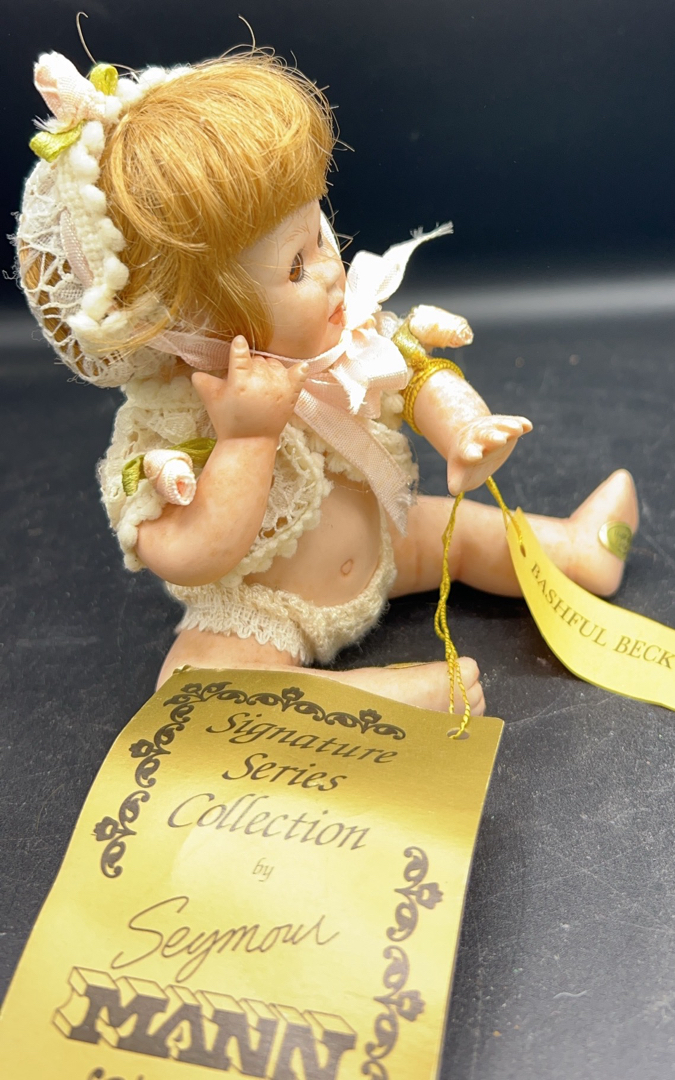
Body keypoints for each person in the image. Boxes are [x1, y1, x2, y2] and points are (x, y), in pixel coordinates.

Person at [16, 50, 638, 715]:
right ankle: (391, 706)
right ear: (186, 325)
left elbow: (409, 378)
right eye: (294, 266)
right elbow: (187, 554)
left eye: (319, 233)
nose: (330, 271)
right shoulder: (171, 425)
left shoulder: (340, 340)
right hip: (271, 607)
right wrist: (246, 440)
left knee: (462, 533)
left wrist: (464, 430)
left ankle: (577, 551)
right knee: (195, 684)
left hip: (386, 543)